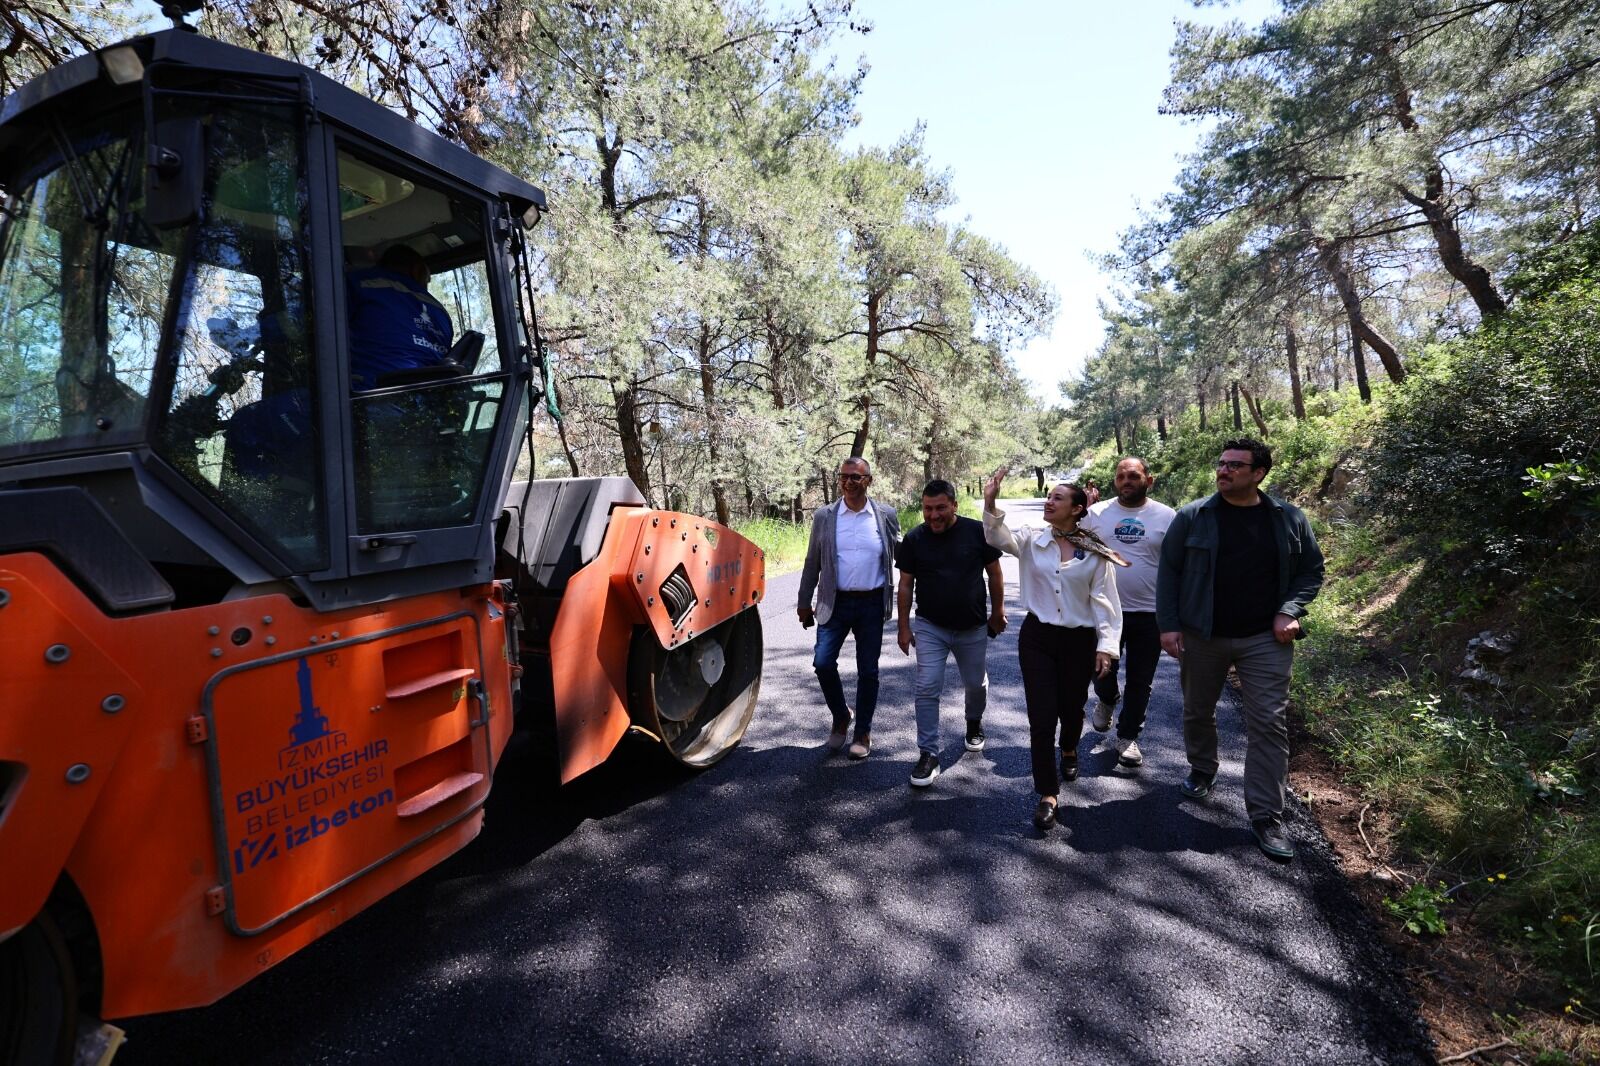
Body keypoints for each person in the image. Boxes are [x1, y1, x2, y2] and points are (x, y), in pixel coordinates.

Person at [1156, 437, 1325, 861]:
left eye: (1235, 465)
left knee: (1268, 722)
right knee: (1198, 709)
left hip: (1265, 639)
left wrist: (1290, 611)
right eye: (1222, 463)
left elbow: (1311, 571)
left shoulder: (1288, 518)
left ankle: (1267, 814)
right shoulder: (1193, 516)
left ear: (1258, 473)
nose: (1224, 470)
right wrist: (1169, 626)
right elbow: (1169, 573)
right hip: (1202, 635)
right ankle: (1202, 767)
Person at [983, 466, 1126, 830]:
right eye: (1049, 497)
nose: (1049, 501)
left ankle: (1070, 747)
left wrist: (1107, 648)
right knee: (1041, 716)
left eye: (1057, 498)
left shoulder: (1095, 552)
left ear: (1078, 509)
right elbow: (998, 537)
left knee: (1071, 708)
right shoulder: (1033, 538)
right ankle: (1048, 793)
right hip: (1038, 637)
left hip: (1079, 640)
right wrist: (990, 500)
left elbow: (1106, 602)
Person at [894, 479, 1006, 788]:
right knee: (927, 686)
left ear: (954, 505)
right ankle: (928, 754)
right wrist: (904, 626)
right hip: (931, 626)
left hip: (972, 626)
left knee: (975, 683)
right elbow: (906, 584)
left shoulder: (975, 532)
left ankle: (973, 722)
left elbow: (995, 574)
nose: (933, 515)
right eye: (928, 509)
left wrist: (997, 612)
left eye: (940, 507)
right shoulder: (914, 539)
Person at [798, 456, 901, 759]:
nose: (848, 482)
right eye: (844, 476)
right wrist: (805, 602)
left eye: (856, 477)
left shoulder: (885, 515)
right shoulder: (825, 516)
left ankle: (863, 731)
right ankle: (842, 714)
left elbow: (900, 552)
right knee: (823, 663)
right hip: (835, 601)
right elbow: (812, 561)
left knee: (868, 670)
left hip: (871, 602)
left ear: (868, 480)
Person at [1084, 456, 1176, 768]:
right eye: (1121, 476)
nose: (1127, 481)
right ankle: (1108, 699)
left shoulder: (1166, 516)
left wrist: (1175, 613)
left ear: (1149, 480)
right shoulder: (1096, 513)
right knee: (1100, 671)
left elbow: (1178, 565)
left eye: (1134, 476)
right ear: (1115, 482)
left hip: (1150, 613)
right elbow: (1074, 550)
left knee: (1141, 680)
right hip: (1104, 611)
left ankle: (1127, 737)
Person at [346, 244, 453, 390]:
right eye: (427, 280)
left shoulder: (358, 283)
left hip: (368, 395)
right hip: (427, 402)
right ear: (416, 270)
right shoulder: (440, 312)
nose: (425, 288)